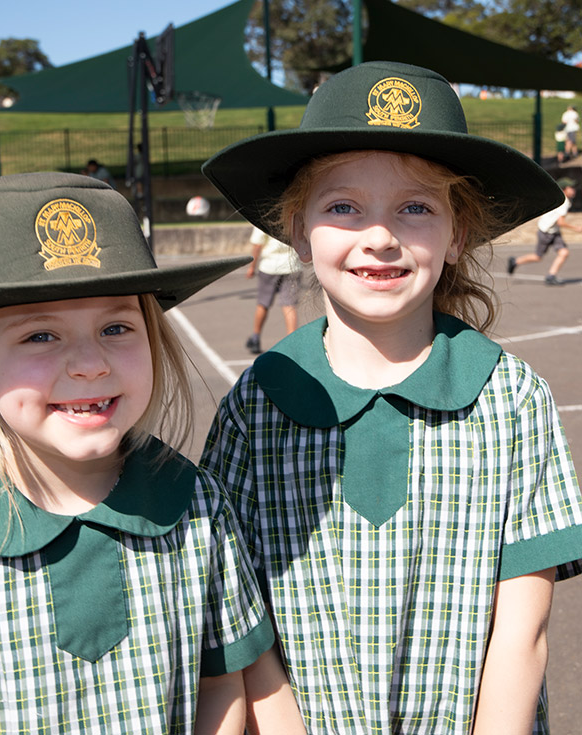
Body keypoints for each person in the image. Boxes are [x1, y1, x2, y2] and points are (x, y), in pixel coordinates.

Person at [200, 61, 582, 734]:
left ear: (457, 234)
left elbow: (520, 634)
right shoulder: (255, 406)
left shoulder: (511, 399)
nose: (380, 235)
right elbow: (240, 629)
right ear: (297, 231)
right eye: (342, 205)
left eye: (415, 207)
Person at [0, 172, 304, 734]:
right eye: (40, 335)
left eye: (116, 326)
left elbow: (223, 684)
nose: (90, 363)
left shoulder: (196, 508)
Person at [507, 176, 582, 285]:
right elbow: (561, 222)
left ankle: (551, 276)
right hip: (546, 232)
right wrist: (577, 228)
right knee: (538, 257)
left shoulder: (563, 200)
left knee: (564, 252)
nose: (574, 190)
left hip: (554, 231)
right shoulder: (563, 203)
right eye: (571, 188)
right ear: (564, 189)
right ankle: (515, 261)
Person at [244, 226, 302, 354]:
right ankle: (292, 342)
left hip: (270, 266)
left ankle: (256, 337)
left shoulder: (262, 218)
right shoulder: (293, 216)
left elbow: (258, 245)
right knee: (289, 305)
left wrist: (252, 267)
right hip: (292, 264)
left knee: (263, 303)